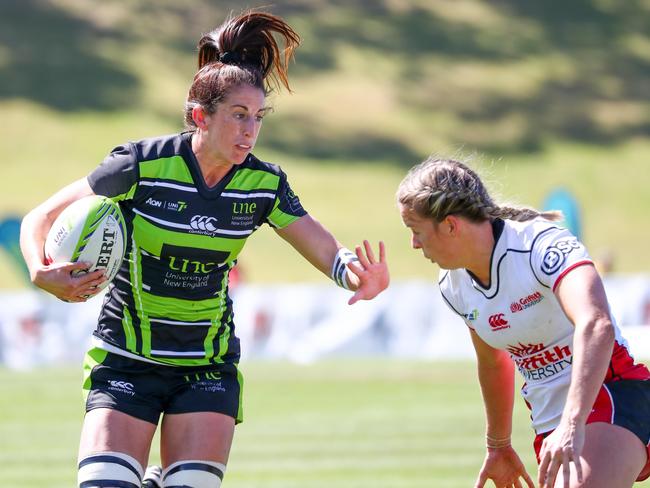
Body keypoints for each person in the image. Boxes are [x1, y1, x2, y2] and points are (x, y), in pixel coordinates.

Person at [20, 10, 389, 488]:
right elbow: (40, 218)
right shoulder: (140, 165)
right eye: (238, 116)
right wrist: (38, 270)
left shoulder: (263, 184)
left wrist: (357, 274)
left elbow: (324, 248)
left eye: (257, 118)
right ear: (200, 116)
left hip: (206, 368)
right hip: (126, 356)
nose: (250, 130)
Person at [396, 157, 650, 488]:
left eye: (416, 232)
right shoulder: (453, 285)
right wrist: (498, 445)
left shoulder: (539, 245)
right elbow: (492, 362)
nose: (414, 244)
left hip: (611, 396)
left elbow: (596, 323)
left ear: (450, 225)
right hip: (550, 425)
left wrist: (572, 423)